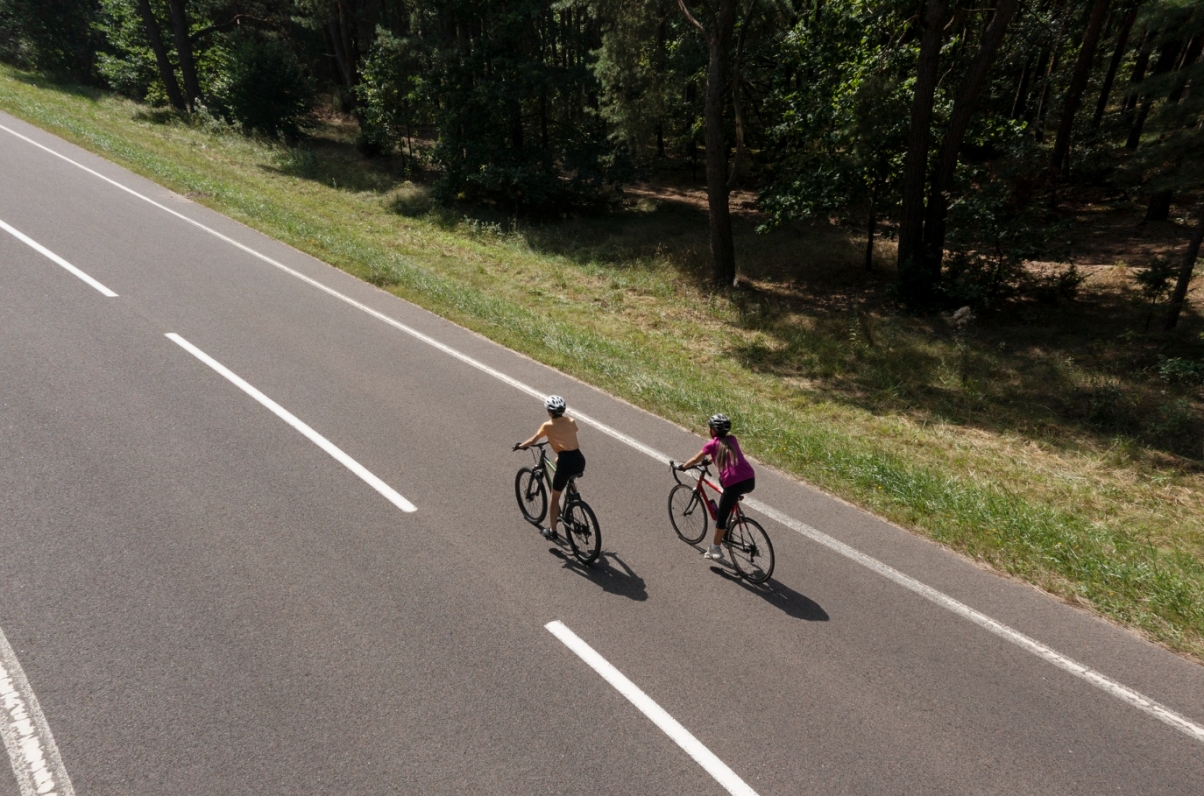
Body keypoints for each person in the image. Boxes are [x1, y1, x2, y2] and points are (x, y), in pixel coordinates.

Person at [677, 414, 755, 561]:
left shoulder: (711, 444)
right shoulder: (732, 440)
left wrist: (682, 467)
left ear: (712, 430)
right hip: (750, 480)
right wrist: (709, 461)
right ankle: (732, 505)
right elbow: (724, 452)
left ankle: (715, 548)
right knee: (725, 483)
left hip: (733, 484)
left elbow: (694, 459)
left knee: (721, 520)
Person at [517, 395, 586, 539]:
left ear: (549, 412)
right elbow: (568, 433)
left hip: (566, 463)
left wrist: (521, 446)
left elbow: (534, 440)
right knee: (557, 460)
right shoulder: (571, 421)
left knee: (554, 498)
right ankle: (573, 493)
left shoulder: (547, 426)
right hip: (579, 459)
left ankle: (552, 531)